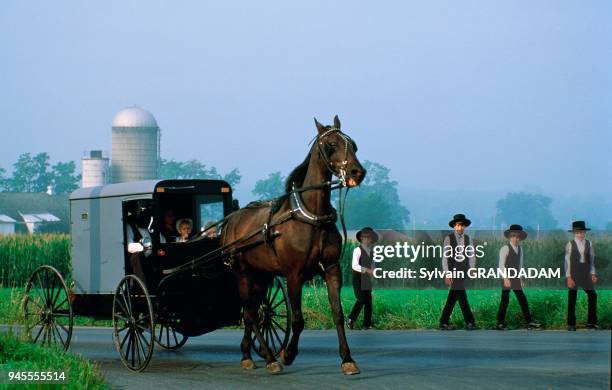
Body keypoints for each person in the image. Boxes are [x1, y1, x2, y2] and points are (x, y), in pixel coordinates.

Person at [496, 224, 540, 330]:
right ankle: (499, 323)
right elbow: (501, 265)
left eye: (518, 236)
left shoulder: (520, 249)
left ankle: (529, 322)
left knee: (522, 299)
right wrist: (505, 278)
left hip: (516, 277)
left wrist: (520, 279)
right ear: (510, 237)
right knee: (505, 300)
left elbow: (520, 265)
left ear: (520, 237)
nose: (516, 238)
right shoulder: (505, 248)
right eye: (513, 236)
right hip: (506, 276)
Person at [439, 213, 477, 330]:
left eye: (462, 225)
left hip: (463, 271)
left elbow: (471, 255)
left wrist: (472, 269)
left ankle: (443, 322)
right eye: (458, 225)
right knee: (462, 296)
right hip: (453, 270)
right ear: (454, 226)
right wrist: (447, 273)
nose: (460, 227)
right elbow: (445, 257)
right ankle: (469, 321)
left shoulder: (468, 238)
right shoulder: (448, 238)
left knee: (453, 296)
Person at [565, 221, 599, 331]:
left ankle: (591, 322)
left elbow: (592, 260)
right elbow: (567, 262)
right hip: (574, 273)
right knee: (572, 297)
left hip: (585, 273)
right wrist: (569, 277)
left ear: (585, 232)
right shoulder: (570, 244)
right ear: (574, 233)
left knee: (593, 295)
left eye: (582, 232)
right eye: (578, 232)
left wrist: (593, 273)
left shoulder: (589, 243)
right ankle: (571, 324)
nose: (580, 234)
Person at [347, 227, 378, 330]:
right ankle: (351, 318)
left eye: (369, 237)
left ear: (372, 239)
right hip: (358, 278)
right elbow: (354, 265)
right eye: (364, 237)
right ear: (361, 238)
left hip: (367, 279)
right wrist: (368, 270)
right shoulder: (357, 250)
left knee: (369, 302)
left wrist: (373, 270)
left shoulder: (371, 251)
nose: (367, 240)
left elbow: (373, 263)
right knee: (361, 299)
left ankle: (367, 324)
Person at [126, 202, 153, 286]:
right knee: (137, 256)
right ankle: (142, 286)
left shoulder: (149, 228)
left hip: (151, 255)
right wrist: (142, 248)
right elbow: (129, 246)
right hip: (138, 257)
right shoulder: (130, 227)